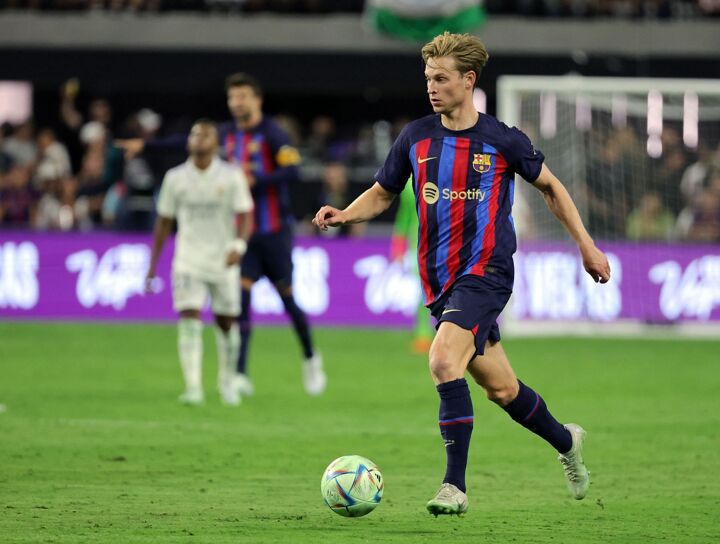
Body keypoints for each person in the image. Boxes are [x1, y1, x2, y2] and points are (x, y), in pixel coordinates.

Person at [314, 32, 611, 517]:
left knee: (442, 361)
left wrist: (586, 245)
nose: (431, 87)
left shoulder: (502, 139)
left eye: (441, 78)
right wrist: (345, 213)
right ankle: (566, 441)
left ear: (468, 80)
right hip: (440, 282)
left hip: (487, 272)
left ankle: (454, 486)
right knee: (502, 389)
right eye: (428, 79)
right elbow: (384, 192)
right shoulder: (416, 137)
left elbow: (551, 188)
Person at [118, 73, 327, 397]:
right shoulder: (226, 133)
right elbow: (186, 142)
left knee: (287, 299)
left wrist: (258, 179)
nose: (236, 103)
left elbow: (293, 169)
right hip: (240, 233)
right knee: (240, 301)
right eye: (232, 97)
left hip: (273, 230)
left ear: (257, 100)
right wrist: (146, 145)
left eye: (243, 96)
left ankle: (310, 357)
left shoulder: (273, 133)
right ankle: (240, 373)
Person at [146, 119, 254, 406]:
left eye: (206, 135)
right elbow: (164, 221)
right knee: (189, 319)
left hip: (223, 260)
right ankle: (193, 387)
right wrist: (152, 265)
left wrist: (239, 245)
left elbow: (246, 215)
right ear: (188, 142)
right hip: (188, 259)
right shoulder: (175, 178)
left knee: (226, 323)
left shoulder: (231, 176)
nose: (199, 139)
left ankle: (227, 381)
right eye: (195, 134)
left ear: (216, 143)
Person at [391, 178, 434, 353]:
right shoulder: (409, 184)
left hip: (445, 243)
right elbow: (405, 216)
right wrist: (398, 246)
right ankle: (423, 333)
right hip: (418, 244)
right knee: (423, 290)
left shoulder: (446, 174)